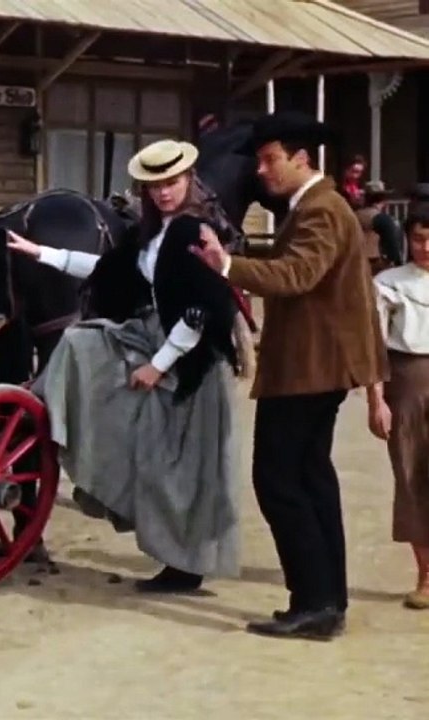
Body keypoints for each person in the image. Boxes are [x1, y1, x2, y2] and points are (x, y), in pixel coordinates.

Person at [9, 139, 244, 594]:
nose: (163, 193)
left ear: (189, 181)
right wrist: (42, 254)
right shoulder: (154, 234)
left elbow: (202, 309)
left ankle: (187, 566)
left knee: (180, 471)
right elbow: (105, 269)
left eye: (172, 182)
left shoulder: (192, 231)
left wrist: (158, 366)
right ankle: (49, 407)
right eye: (154, 185)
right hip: (157, 338)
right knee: (82, 341)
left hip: (188, 358)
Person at [190, 110, 388, 641]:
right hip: (317, 366)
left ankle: (315, 602)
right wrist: (236, 254)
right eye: (259, 159)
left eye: (270, 159)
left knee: (278, 480)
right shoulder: (314, 207)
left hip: (309, 367)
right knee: (312, 480)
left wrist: (225, 266)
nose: (261, 170)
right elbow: (289, 261)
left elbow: (297, 273)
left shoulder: (321, 209)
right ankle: (324, 600)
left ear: (302, 159)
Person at [368, 212, 429, 610]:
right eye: (421, 239)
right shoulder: (388, 283)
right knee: (411, 476)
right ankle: (426, 575)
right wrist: (375, 400)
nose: (428, 247)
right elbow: (373, 347)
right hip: (407, 379)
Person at [354, 179, 406, 273]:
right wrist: (398, 265)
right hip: (375, 266)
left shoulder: (353, 215)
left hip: (354, 263)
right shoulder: (382, 219)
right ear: (383, 199)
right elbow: (392, 247)